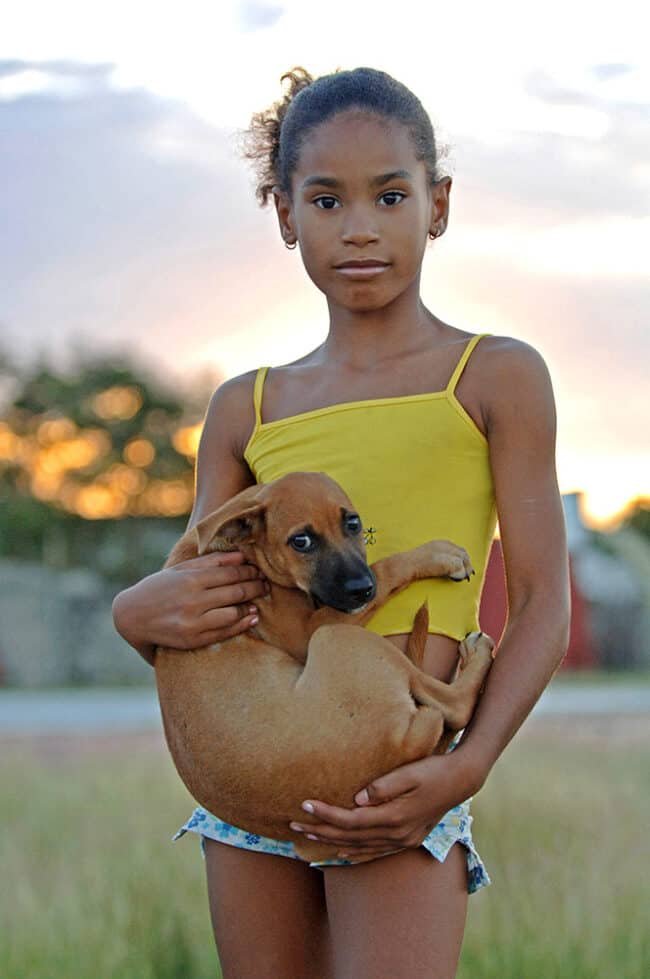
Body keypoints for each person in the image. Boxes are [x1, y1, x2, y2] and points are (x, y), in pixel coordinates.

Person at [112, 66, 570, 979]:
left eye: (389, 195)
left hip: (402, 783)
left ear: (436, 205)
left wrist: (465, 766)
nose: (359, 226)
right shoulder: (247, 406)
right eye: (325, 200)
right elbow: (210, 609)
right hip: (251, 788)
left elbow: (547, 599)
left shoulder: (494, 377)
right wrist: (134, 612)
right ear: (285, 215)